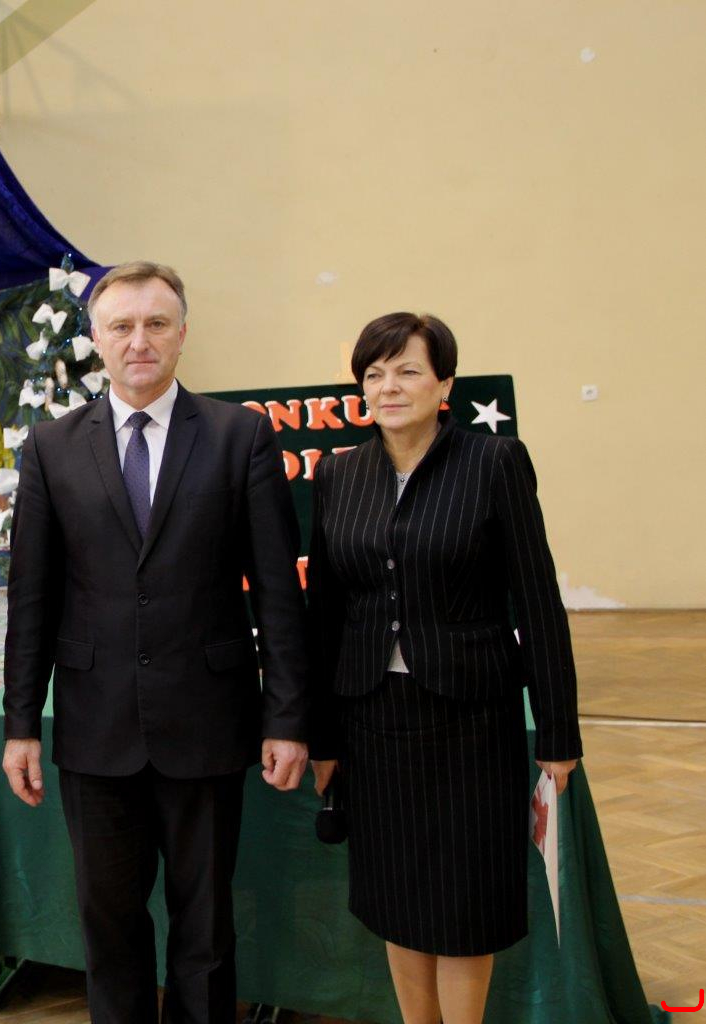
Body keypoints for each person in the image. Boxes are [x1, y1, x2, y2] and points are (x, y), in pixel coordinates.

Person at [3, 262, 310, 1024]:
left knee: (205, 927)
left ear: (181, 334)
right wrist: (19, 724)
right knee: (108, 926)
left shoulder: (239, 436)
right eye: (121, 326)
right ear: (95, 338)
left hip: (207, 720)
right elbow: (32, 597)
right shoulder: (51, 447)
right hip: (94, 725)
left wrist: (286, 717)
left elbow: (277, 591)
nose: (138, 340)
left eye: (155, 324)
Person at [306, 313, 582, 1024]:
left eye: (407, 371)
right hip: (372, 716)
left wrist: (558, 733)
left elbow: (537, 600)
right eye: (373, 374)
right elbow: (325, 615)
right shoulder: (338, 474)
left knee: (465, 900)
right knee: (396, 894)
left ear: (444, 384)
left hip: (471, 715)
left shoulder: (494, 462)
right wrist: (322, 736)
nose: (388, 387)